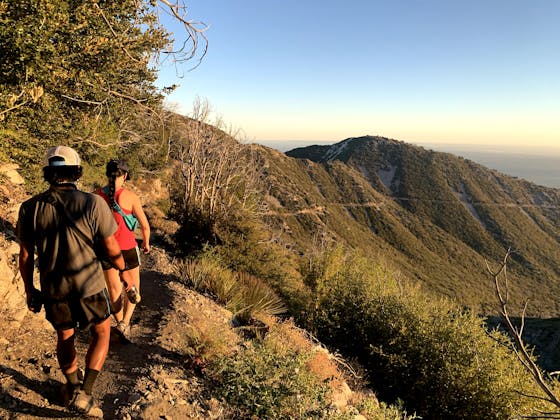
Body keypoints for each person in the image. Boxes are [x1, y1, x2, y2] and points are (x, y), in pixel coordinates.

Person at [16, 145, 125, 418]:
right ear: (76, 171)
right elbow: (111, 248)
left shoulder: (29, 208)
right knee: (102, 331)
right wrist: (122, 268)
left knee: (64, 336)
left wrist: (30, 290)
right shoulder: (93, 203)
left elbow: (26, 255)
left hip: (54, 288)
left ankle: (72, 385)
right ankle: (85, 392)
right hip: (90, 285)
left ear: (47, 173)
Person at [95, 159, 150, 342]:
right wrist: (146, 243)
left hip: (106, 251)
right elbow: (144, 225)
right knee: (133, 288)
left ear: (107, 174)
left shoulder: (96, 196)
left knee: (114, 290)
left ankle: (119, 323)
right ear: (125, 175)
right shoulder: (131, 197)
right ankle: (126, 323)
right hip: (127, 248)